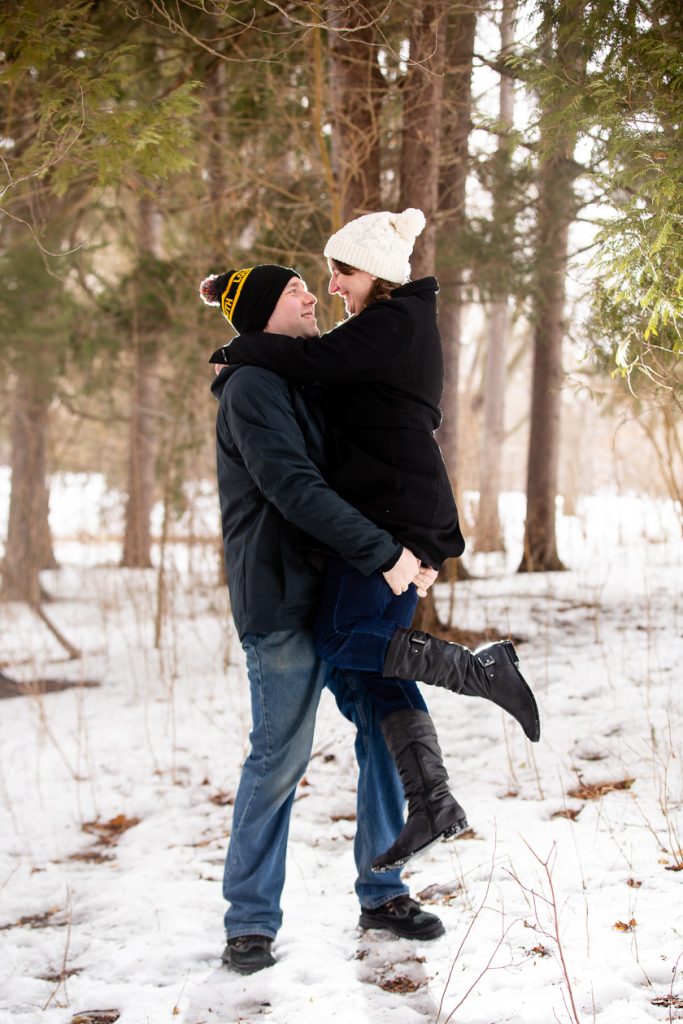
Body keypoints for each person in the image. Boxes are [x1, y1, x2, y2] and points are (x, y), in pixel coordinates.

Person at [207, 209, 541, 876]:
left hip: (395, 516)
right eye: (316, 278)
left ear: (376, 273)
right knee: (372, 668)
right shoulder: (382, 329)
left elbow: (309, 359)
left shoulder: (393, 322)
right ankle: (432, 802)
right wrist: (231, 299)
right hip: (388, 519)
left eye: (340, 273)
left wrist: (236, 346)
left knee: (340, 641)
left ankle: (480, 671)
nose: (330, 287)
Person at [200, 263, 450, 976]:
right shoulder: (250, 388)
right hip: (281, 600)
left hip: (341, 594)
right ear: (260, 314)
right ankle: (249, 921)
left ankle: (383, 890)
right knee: (279, 757)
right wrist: (384, 553)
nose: (312, 295)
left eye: (311, 285)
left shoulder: (312, 377)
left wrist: (414, 551)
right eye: (292, 291)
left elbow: (376, 460)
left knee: (379, 733)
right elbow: (293, 486)